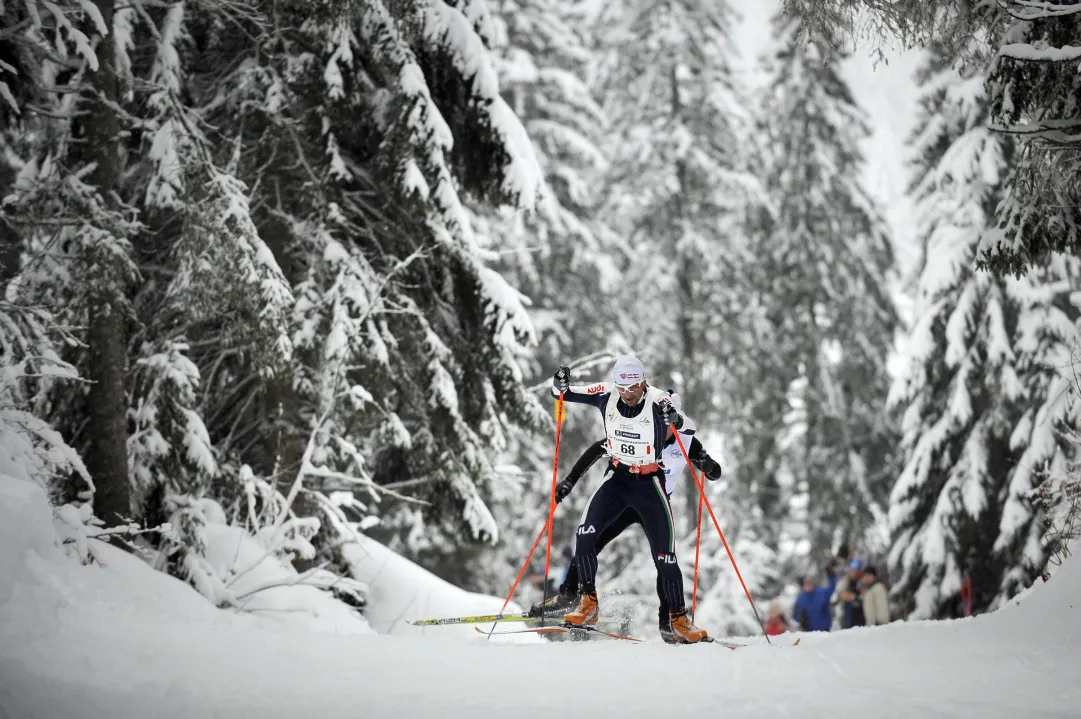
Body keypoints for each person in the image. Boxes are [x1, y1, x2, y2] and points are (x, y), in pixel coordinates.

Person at [529, 391, 723, 643]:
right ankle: (569, 597)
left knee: (663, 560)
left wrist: (708, 467)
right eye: (660, 422)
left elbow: (715, 471)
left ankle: (669, 621)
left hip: (654, 503)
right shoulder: (642, 431)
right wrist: (570, 480)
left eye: (668, 424)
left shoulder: (686, 442)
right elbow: (596, 449)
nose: (664, 429)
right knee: (590, 542)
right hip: (623, 502)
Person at [791, 567, 838, 632]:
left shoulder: (822, 592)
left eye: (809, 581)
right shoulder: (800, 600)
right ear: (802, 585)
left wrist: (831, 575)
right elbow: (795, 617)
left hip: (825, 631)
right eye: (806, 582)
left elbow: (833, 587)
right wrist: (800, 618)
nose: (809, 583)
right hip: (810, 633)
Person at [832, 557, 867, 629]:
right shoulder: (845, 580)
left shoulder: (863, 581)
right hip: (848, 615)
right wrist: (854, 597)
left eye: (856, 570)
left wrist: (856, 597)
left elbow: (866, 595)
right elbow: (839, 594)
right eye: (852, 570)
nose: (854, 572)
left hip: (862, 614)